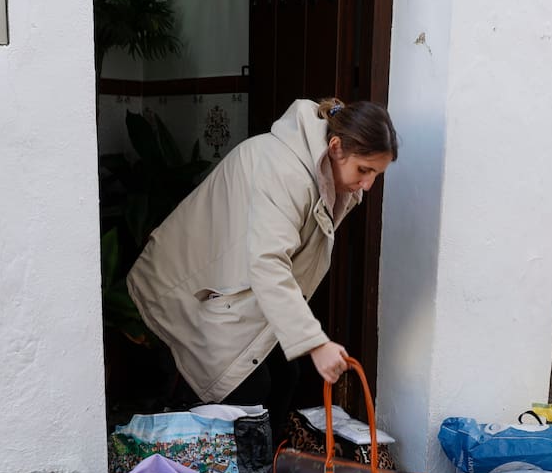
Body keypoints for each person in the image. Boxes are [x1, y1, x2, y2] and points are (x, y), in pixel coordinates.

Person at [126, 97, 398, 432]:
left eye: (376, 174)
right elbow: (269, 264)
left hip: (229, 288)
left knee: (286, 375)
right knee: (247, 390)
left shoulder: (328, 176)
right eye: (364, 170)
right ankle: (230, 465)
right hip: (186, 287)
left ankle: (262, 463)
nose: (368, 185)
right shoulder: (287, 172)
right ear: (336, 147)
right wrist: (316, 343)